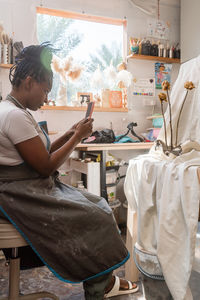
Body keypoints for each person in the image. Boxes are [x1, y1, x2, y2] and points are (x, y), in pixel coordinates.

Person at [0, 43, 138, 299]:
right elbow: (45, 166)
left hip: (25, 188)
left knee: (98, 203)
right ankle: (99, 285)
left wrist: (72, 132)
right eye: (45, 90)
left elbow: (43, 150)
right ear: (29, 82)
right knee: (97, 213)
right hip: (21, 194)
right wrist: (77, 139)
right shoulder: (14, 116)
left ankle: (102, 281)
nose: (46, 98)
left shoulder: (15, 110)